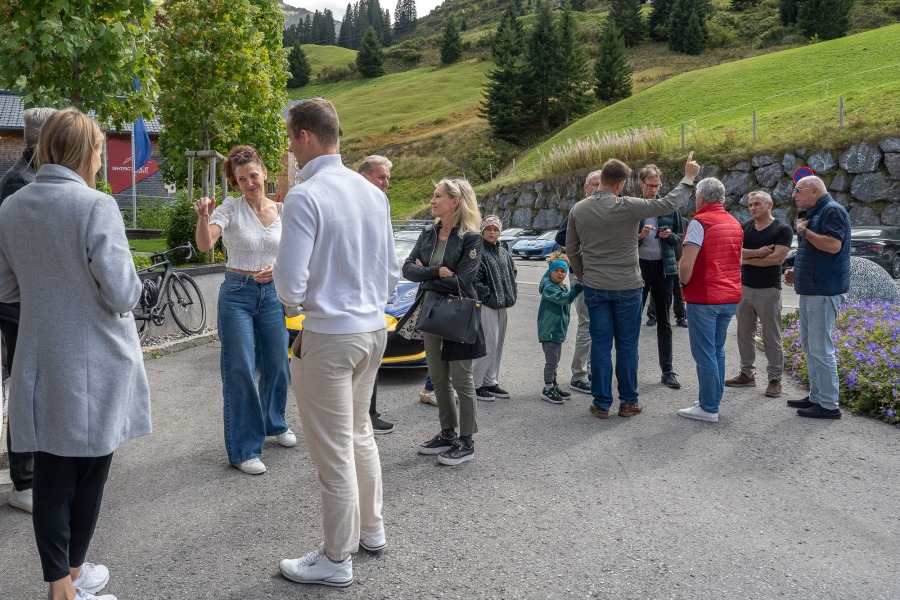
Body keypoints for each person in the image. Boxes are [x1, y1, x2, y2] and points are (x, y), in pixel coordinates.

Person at [0, 107, 151, 600]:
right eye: (100, 151)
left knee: (50, 475)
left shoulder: (11, 207)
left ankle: (67, 578)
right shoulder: (95, 205)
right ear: (89, 151)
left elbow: (6, 289)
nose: (102, 160)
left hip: (39, 357)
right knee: (89, 474)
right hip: (97, 360)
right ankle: (66, 586)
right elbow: (122, 294)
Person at [274, 98, 400, 587]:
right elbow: (390, 274)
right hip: (372, 329)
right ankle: (372, 529)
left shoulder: (305, 195)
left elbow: (289, 285)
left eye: (291, 138)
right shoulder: (372, 193)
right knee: (358, 433)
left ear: (305, 135)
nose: (290, 149)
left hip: (329, 335)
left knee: (333, 453)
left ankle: (336, 558)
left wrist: (305, 300)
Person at [566, 153, 700, 420]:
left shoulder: (578, 210)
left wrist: (583, 275)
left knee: (600, 345)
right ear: (620, 184)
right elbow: (668, 203)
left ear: (603, 179)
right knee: (627, 345)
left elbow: (572, 249)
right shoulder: (628, 206)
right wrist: (688, 177)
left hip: (596, 286)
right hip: (627, 285)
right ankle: (628, 402)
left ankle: (601, 403)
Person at [194, 145, 293, 476]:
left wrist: (277, 268)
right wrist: (203, 217)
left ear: (264, 173)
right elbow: (206, 244)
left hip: (272, 295)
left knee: (278, 364)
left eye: (253, 175)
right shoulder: (230, 209)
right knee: (241, 369)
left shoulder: (282, 210)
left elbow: (293, 253)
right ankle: (244, 449)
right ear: (235, 184)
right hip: (237, 295)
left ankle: (274, 422)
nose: (250, 183)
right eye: (241, 179)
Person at [402, 178, 484, 465]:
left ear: (454, 202)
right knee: (438, 378)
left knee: (462, 379)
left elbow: (463, 281)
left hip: (459, 315)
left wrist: (426, 275)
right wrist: (437, 272)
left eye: (438, 196)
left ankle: (467, 441)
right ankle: (448, 433)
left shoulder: (471, 237)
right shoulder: (428, 233)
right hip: (432, 313)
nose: (432, 201)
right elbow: (407, 269)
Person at [0, 106, 55, 514]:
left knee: (33, 389)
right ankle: (24, 481)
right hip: (17, 303)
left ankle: (33, 474)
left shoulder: (30, 178)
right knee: (25, 390)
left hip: (26, 300)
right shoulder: (21, 184)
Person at [783, 175, 851, 419]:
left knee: (821, 348)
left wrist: (804, 231)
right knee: (811, 346)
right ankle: (816, 396)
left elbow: (833, 245)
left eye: (798, 190)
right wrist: (796, 269)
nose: (794, 195)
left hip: (824, 290)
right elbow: (814, 252)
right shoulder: (817, 212)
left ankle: (829, 405)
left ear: (814, 190)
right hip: (813, 289)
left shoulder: (832, 211)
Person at [677, 177, 743, 423]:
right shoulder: (734, 222)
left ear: (701, 198)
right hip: (729, 295)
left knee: (704, 353)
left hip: (705, 296)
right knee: (717, 350)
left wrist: (683, 284)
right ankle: (712, 399)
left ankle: (708, 407)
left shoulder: (700, 222)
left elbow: (687, 263)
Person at [724, 191, 793, 398]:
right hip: (744, 287)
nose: (752, 208)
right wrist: (756, 253)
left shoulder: (782, 229)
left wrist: (745, 259)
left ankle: (775, 380)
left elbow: (776, 259)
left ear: (770, 204)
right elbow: (734, 252)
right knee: (744, 334)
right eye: (750, 205)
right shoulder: (745, 227)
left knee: (771, 336)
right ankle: (747, 374)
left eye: (757, 204)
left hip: (769, 289)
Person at [636, 164, 686, 390]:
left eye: (657, 186)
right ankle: (628, 368)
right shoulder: (633, 207)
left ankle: (667, 370)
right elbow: (621, 240)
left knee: (664, 321)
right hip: (638, 269)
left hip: (664, 268)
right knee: (631, 321)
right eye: (650, 186)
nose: (654, 190)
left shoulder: (669, 207)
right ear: (641, 184)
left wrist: (669, 235)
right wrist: (640, 236)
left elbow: (679, 236)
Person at [358, 154, 396, 434]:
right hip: (353, 297)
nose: (386, 183)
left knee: (371, 362)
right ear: (364, 176)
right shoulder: (350, 203)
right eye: (381, 177)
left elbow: (387, 253)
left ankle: (369, 414)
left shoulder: (382, 204)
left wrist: (385, 292)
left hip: (373, 297)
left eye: (388, 179)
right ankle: (361, 418)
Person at [555, 170, 601, 394]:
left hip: (602, 275)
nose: (598, 187)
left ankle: (593, 370)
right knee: (587, 323)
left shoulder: (606, 209)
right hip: (582, 274)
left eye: (602, 184)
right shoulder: (579, 209)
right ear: (586, 188)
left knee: (598, 325)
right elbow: (561, 237)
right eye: (595, 184)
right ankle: (579, 375)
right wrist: (584, 248)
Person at [473, 215, 518, 401]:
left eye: (495, 229)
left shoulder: (503, 252)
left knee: (497, 344)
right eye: (488, 229)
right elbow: (475, 280)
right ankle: (475, 384)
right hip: (487, 306)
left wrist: (510, 292)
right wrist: (489, 297)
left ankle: (490, 381)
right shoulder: (478, 251)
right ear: (482, 230)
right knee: (487, 344)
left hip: (502, 305)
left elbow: (513, 272)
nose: (492, 232)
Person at [537, 258, 583, 403]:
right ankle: (547, 388)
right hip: (549, 330)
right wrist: (576, 289)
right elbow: (563, 299)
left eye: (563, 271)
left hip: (558, 330)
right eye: (556, 270)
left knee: (555, 360)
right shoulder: (549, 287)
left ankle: (553, 384)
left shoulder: (561, 286)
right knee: (551, 361)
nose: (560, 274)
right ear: (550, 271)